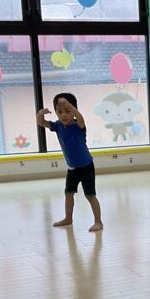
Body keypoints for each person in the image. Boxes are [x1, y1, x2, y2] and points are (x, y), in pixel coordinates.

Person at [37, 92, 103, 231]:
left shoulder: (78, 126)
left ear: (74, 111)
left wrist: (70, 106)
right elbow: (41, 122)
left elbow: (80, 118)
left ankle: (98, 222)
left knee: (90, 195)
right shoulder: (57, 126)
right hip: (72, 168)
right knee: (68, 194)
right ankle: (68, 218)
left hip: (86, 167)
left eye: (68, 111)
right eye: (60, 112)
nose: (64, 115)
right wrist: (41, 113)